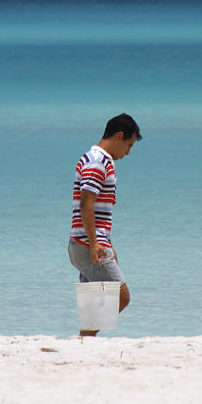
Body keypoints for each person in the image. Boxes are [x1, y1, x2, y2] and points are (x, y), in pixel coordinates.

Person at [68, 113, 141, 336]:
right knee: (121, 296)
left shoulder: (92, 158)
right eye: (128, 145)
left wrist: (107, 243)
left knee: (95, 302)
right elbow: (86, 205)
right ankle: (85, 337)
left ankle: (83, 344)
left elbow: (99, 213)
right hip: (86, 243)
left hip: (83, 243)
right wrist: (95, 244)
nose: (127, 153)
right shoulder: (98, 162)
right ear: (119, 136)